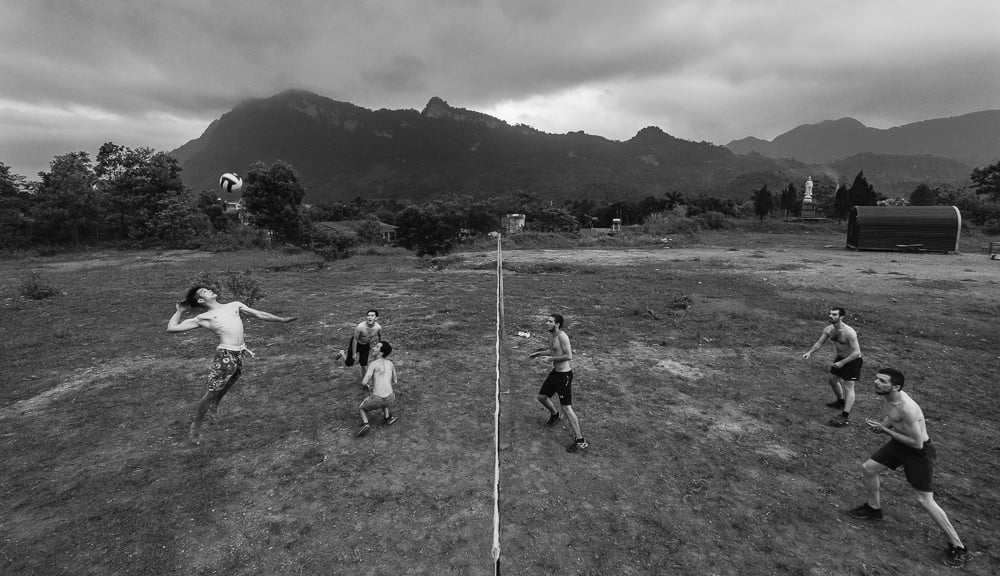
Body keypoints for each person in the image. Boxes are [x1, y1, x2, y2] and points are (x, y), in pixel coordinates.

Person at [847, 368, 969, 568]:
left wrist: (885, 429)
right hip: (900, 445)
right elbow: (892, 417)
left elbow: (917, 443)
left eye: (882, 381)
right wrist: (883, 424)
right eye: (876, 379)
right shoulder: (889, 397)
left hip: (917, 453)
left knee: (925, 500)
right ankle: (873, 509)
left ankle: (958, 546)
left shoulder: (908, 407)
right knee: (869, 469)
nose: (876, 382)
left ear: (895, 386)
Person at [167, 285, 297, 443]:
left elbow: (258, 314)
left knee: (233, 378)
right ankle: (196, 427)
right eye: (204, 291)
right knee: (211, 392)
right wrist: (179, 311)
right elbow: (172, 328)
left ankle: (215, 403)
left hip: (240, 352)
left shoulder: (234, 305)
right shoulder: (204, 317)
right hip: (225, 355)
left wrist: (281, 319)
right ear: (201, 300)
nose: (209, 290)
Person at [529, 314, 587, 453]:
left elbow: (569, 356)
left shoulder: (562, 336)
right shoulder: (552, 336)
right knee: (542, 397)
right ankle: (555, 415)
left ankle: (580, 441)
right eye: (547, 320)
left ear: (557, 324)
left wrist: (550, 359)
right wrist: (538, 354)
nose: (546, 323)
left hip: (564, 376)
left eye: (550, 321)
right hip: (555, 373)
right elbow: (553, 350)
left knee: (566, 408)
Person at [802, 307, 863, 427]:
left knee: (849, 386)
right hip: (840, 358)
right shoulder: (829, 329)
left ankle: (845, 416)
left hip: (853, 360)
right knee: (833, 380)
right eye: (830, 314)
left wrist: (843, 363)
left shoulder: (849, 332)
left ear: (841, 317)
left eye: (834, 314)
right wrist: (809, 352)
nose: (831, 316)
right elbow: (819, 343)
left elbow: (856, 352)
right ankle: (840, 401)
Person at [356, 341, 398, 437]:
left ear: (381, 353)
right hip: (391, 398)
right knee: (385, 399)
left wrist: (368, 385)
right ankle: (387, 417)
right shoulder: (390, 363)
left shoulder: (373, 364)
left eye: (377, 347)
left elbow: (364, 381)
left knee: (361, 408)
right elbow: (395, 380)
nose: (373, 348)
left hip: (377, 399)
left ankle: (366, 423)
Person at [351, 310, 382, 387]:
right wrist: (354, 353)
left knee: (364, 364)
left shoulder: (378, 328)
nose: (369, 317)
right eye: (368, 315)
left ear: (376, 318)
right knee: (349, 363)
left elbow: (380, 336)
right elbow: (355, 340)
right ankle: (342, 353)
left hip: (365, 345)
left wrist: (381, 346)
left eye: (372, 316)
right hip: (356, 343)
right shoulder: (360, 327)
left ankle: (365, 382)